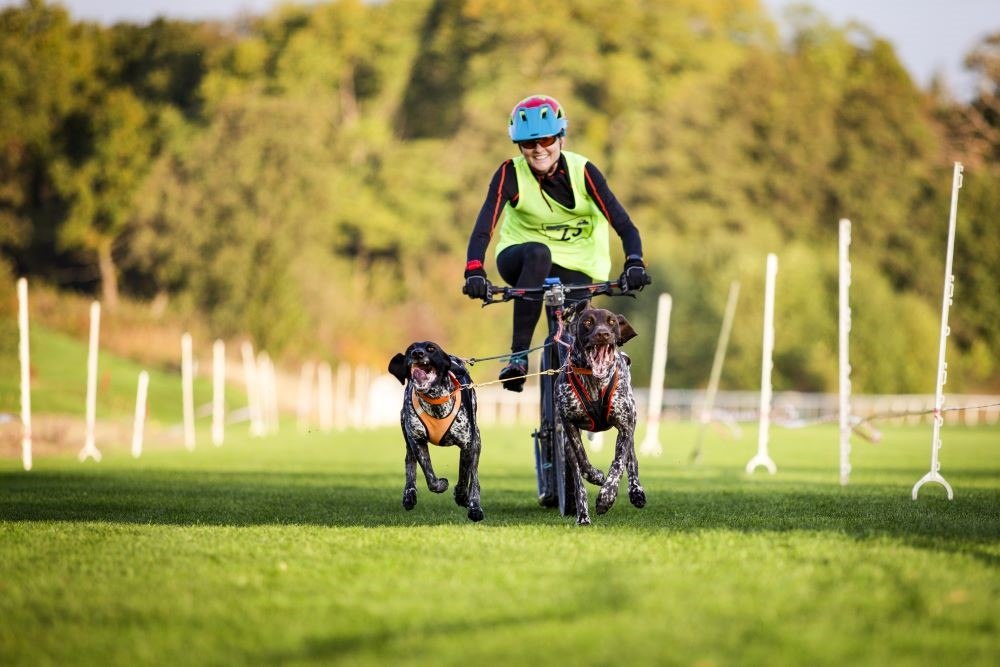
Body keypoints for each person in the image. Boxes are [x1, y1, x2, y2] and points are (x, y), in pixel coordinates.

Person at [463, 94, 651, 392]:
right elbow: (483, 228)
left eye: (547, 139)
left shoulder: (583, 171)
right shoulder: (509, 173)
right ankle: (519, 358)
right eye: (528, 144)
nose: (539, 150)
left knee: (580, 336)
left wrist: (635, 263)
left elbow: (625, 226)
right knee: (539, 252)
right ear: (520, 146)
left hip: (578, 263)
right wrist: (474, 270)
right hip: (523, 259)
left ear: (561, 138)